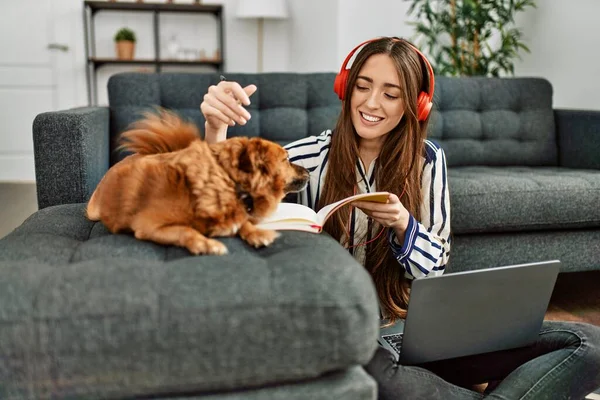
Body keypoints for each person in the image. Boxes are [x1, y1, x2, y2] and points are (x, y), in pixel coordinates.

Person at [199, 36, 600, 399]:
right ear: (346, 88)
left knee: (589, 344)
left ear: (415, 104)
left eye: (391, 95)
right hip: (356, 341)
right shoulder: (305, 157)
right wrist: (215, 130)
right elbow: (222, 208)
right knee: (367, 370)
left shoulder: (428, 161)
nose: (371, 104)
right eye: (362, 87)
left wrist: (403, 224)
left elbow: (434, 267)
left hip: (417, 334)